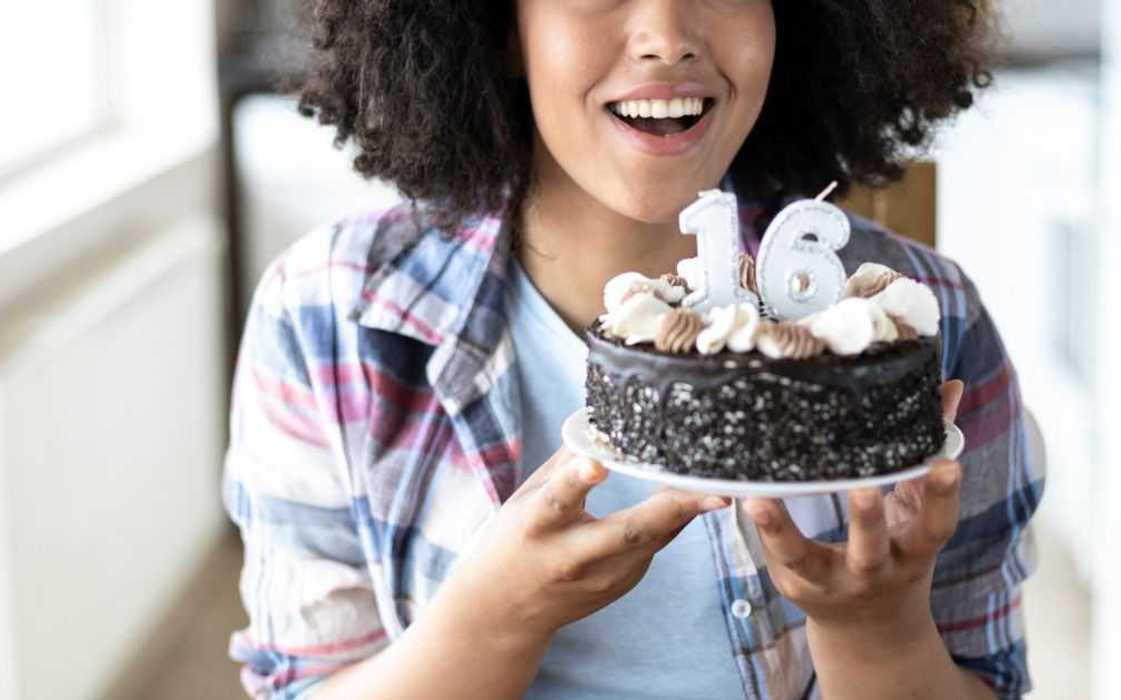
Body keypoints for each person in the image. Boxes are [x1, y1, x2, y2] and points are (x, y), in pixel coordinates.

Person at [222, 1, 1043, 698]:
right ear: (499, 26)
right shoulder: (328, 314)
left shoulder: (923, 325)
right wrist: (493, 618)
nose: (665, 35)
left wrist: (877, 630)